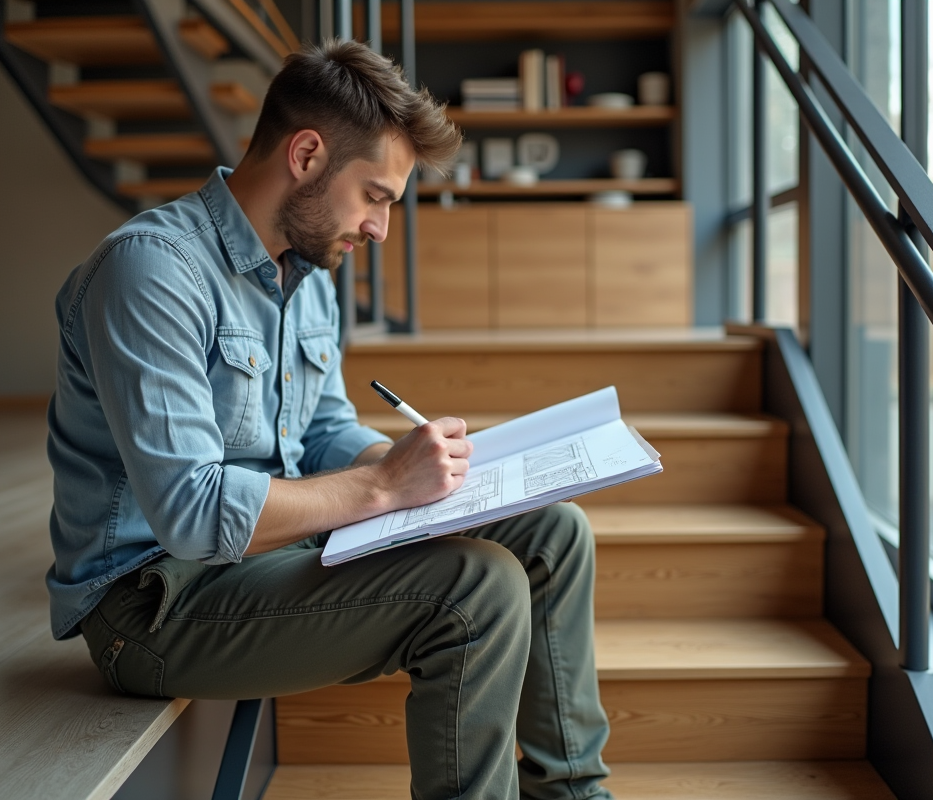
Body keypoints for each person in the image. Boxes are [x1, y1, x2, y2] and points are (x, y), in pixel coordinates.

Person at [46, 39, 612, 800]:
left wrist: (426, 473)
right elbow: (192, 515)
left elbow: (319, 434)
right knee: (478, 587)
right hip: (155, 602)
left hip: (269, 555)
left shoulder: (308, 274)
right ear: (307, 155)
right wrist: (383, 487)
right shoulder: (152, 269)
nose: (381, 229)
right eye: (375, 196)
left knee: (554, 532)